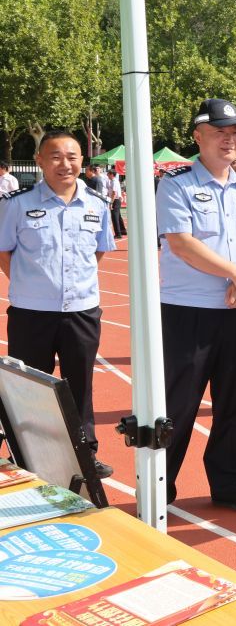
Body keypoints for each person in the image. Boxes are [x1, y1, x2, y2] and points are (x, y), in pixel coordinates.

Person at [156, 98, 236, 513]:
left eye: (235, 132)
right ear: (197, 137)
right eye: (220, 132)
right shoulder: (176, 184)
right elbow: (182, 244)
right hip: (188, 312)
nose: (230, 139)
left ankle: (227, 482)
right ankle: (160, 487)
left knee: (233, 403)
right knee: (179, 404)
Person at [0, 130, 116, 479]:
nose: (65, 164)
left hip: (82, 311)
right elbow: (4, 251)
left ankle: (85, 453)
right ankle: (26, 454)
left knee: (80, 385)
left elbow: (98, 251)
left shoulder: (97, 204)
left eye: (72, 156)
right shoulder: (17, 204)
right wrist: (30, 283)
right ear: (39, 160)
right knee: (28, 388)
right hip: (31, 313)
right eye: (55, 156)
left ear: (82, 160)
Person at [106, 167, 127, 239]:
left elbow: (114, 193)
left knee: (114, 217)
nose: (107, 175)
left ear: (112, 174)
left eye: (108, 174)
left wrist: (111, 202)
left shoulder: (114, 181)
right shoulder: (112, 181)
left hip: (115, 200)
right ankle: (123, 230)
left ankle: (118, 233)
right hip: (115, 199)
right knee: (118, 216)